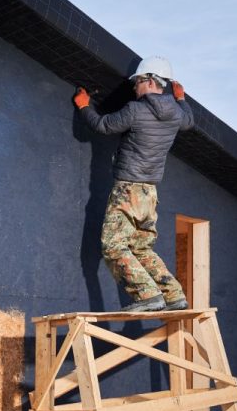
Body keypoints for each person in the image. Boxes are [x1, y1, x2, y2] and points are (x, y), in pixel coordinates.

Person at [74, 56, 194, 312]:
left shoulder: (136, 110)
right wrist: (181, 97)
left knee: (113, 245)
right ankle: (173, 296)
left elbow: (103, 126)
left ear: (150, 81)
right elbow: (190, 121)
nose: (134, 87)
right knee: (141, 246)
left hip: (128, 189)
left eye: (138, 82)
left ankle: (147, 295)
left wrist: (84, 107)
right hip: (150, 193)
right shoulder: (177, 114)